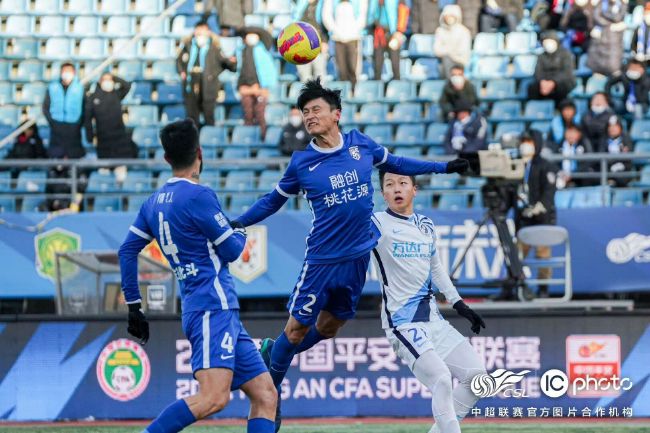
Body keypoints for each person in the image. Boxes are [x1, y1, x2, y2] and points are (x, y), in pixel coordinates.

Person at [231, 78, 469, 432]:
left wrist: (444, 167)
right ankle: (270, 395)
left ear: (336, 114)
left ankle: (271, 352)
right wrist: (236, 222)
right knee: (296, 331)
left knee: (329, 328)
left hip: (357, 260)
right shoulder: (302, 163)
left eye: (316, 110)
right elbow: (272, 201)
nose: (310, 116)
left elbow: (400, 162)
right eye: (305, 111)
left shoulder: (361, 145)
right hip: (322, 264)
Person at [117, 119, 277, 433]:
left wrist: (134, 305)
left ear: (166, 159)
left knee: (265, 393)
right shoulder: (199, 196)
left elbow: (126, 251)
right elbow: (232, 250)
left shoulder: (153, 203)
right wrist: (240, 231)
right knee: (214, 397)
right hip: (211, 309)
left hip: (212, 308)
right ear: (200, 153)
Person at [372, 170, 486, 433]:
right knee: (442, 380)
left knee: (477, 379)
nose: (396, 188)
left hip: (434, 320)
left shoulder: (426, 224)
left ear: (415, 189)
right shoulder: (376, 223)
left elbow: (435, 268)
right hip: (403, 324)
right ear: (383, 193)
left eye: (403, 183)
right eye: (389, 184)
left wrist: (459, 304)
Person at [514, 131, 557, 298]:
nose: (526, 145)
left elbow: (550, 189)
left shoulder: (546, 165)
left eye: (529, 141)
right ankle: (516, 285)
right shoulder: (517, 165)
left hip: (542, 218)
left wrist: (541, 206)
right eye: (524, 141)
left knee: (543, 254)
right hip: (523, 218)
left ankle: (543, 288)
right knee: (517, 254)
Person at [177, 22, 237, 127]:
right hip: (191, 83)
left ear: (208, 32)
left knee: (209, 114)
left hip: (208, 85)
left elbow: (225, 63)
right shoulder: (187, 46)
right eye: (198, 31)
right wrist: (182, 72)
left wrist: (232, 62)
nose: (200, 34)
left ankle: (208, 136)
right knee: (191, 116)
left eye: (203, 31)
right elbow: (179, 61)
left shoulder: (214, 48)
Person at [84, 73, 137, 159]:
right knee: (104, 169)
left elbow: (127, 86)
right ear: (100, 82)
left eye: (110, 80)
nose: (108, 82)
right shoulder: (93, 98)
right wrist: (90, 136)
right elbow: (87, 119)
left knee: (120, 167)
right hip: (103, 140)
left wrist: (114, 77)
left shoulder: (117, 94)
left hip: (119, 138)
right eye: (105, 80)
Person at [238, 29, 278, 138]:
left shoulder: (263, 51)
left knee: (260, 114)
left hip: (261, 87)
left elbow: (268, 70)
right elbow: (240, 71)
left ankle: (263, 138)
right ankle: (248, 139)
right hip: (246, 87)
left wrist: (262, 87)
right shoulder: (240, 52)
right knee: (248, 114)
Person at [43, 62, 86, 159]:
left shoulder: (80, 87)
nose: (66, 74)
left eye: (69, 71)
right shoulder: (53, 87)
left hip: (74, 124)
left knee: (74, 153)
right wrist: (52, 121)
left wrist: (79, 122)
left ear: (74, 73)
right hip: (57, 124)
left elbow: (85, 106)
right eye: (64, 71)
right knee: (56, 153)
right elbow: (45, 107)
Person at [322, 0, 368, 87]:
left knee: (353, 69)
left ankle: (353, 94)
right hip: (338, 39)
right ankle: (343, 95)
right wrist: (336, 31)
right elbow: (326, 16)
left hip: (353, 38)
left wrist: (352, 31)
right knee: (341, 70)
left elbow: (362, 17)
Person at [527, 31, 576, 105]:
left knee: (562, 89)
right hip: (545, 82)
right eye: (545, 42)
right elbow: (537, 72)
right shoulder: (541, 56)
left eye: (550, 41)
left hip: (561, 82)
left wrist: (553, 82)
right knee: (532, 88)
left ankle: (559, 108)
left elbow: (567, 73)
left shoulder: (566, 54)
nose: (548, 44)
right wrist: (543, 82)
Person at [368, 0, 409, 81]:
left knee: (395, 62)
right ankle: (377, 86)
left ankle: (396, 84)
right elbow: (370, 14)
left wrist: (399, 31)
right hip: (378, 33)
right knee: (377, 62)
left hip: (393, 33)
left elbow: (403, 11)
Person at [587, 0, 627, 77]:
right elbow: (596, 16)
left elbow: (618, 17)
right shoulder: (601, 3)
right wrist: (610, 25)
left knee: (613, 70)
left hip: (614, 41)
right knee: (597, 73)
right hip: (601, 39)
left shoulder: (621, 4)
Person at [293, 0, 329, 82]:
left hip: (318, 43)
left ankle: (320, 94)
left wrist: (324, 40)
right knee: (304, 74)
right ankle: (308, 94)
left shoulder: (322, 4)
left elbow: (325, 24)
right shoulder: (301, 5)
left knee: (319, 72)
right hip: (302, 44)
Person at [434, 5, 472, 77]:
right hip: (444, 62)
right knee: (446, 60)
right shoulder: (439, 31)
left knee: (447, 60)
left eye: (451, 16)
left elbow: (463, 51)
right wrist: (450, 52)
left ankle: (451, 84)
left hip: (460, 62)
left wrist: (447, 51)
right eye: (447, 16)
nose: (449, 18)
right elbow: (436, 50)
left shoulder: (464, 31)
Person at [558, 123, 594, 187]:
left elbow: (587, 163)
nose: (571, 135)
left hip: (579, 178)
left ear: (579, 134)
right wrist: (561, 173)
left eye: (573, 132)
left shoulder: (584, 145)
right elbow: (555, 164)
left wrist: (572, 175)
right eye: (569, 132)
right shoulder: (559, 146)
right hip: (561, 176)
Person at [603, 115, 634, 186]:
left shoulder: (626, 139)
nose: (612, 129)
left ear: (620, 128)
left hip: (623, 170)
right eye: (610, 126)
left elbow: (627, 157)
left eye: (615, 126)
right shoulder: (603, 140)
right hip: (607, 168)